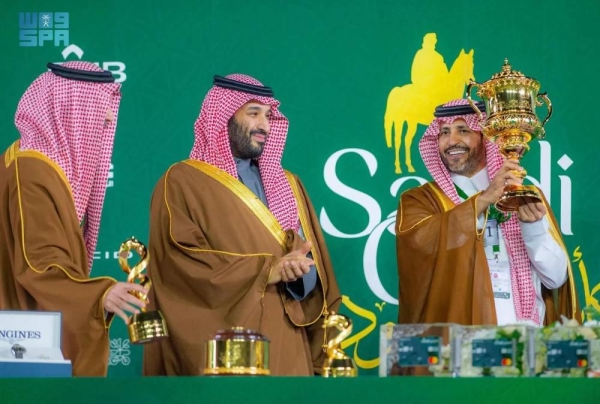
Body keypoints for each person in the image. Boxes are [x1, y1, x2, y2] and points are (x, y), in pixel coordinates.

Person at [143, 74, 341, 376]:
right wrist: (266, 270)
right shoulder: (183, 181)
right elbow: (178, 266)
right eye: (253, 113)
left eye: (268, 115)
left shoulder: (289, 184)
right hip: (222, 346)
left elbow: (311, 271)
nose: (264, 125)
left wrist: (299, 272)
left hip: (286, 339)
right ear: (223, 117)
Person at [0, 62, 147, 376]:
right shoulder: (31, 172)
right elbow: (38, 262)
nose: (109, 117)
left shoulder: (32, 161)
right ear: (69, 107)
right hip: (27, 348)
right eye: (99, 107)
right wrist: (99, 292)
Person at [395, 99, 579, 326]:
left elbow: (555, 278)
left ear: (486, 138)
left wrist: (533, 228)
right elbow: (418, 257)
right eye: (444, 132)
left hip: (528, 345)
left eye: (463, 130)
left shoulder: (527, 195)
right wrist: (482, 201)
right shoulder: (421, 200)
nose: (452, 141)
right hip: (459, 348)